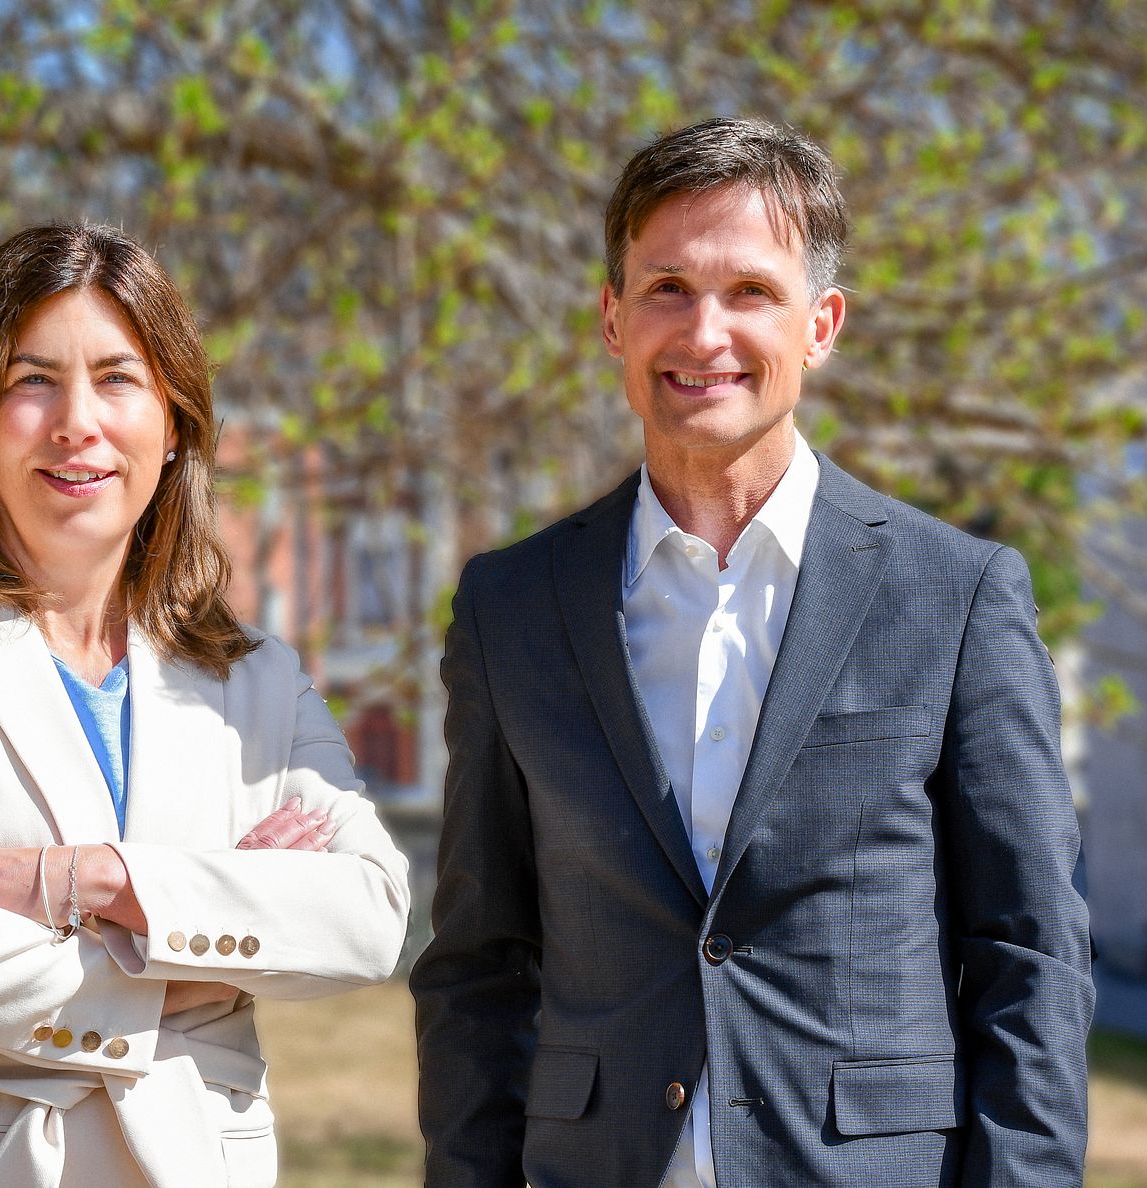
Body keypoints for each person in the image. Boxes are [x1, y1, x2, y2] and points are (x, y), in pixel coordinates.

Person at [411, 118, 1092, 1186]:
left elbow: (1030, 953)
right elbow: (479, 966)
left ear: (821, 325)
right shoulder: (512, 607)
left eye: (751, 292)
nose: (704, 332)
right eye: (668, 288)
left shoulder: (955, 596)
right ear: (612, 318)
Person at [0, 222, 410, 1188]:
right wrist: (204, 954)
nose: (77, 422)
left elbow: (369, 914)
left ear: (174, 421)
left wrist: (96, 881)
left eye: (118, 378)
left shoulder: (255, 678)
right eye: (32, 380)